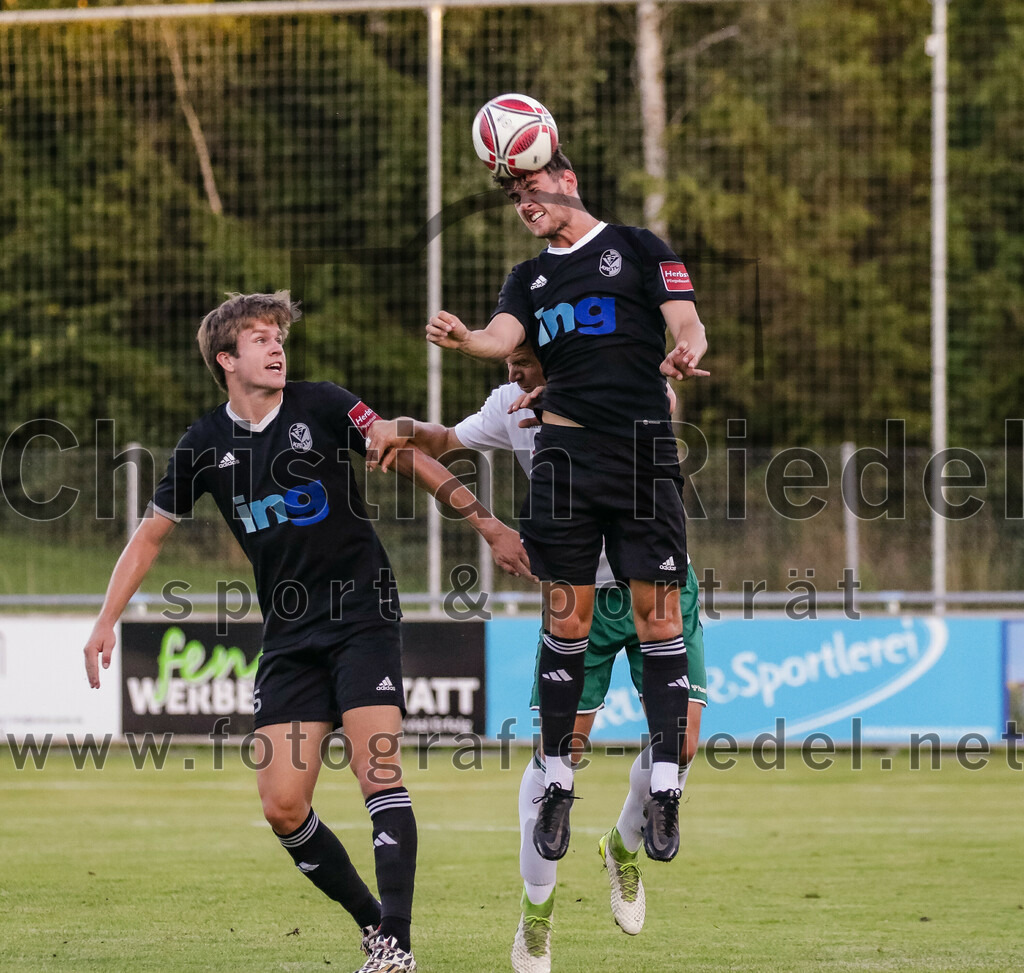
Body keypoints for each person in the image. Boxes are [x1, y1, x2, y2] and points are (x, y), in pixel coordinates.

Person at [83, 291, 534, 973]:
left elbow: (406, 452)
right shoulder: (204, 444)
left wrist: (489, 523)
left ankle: (399, 946)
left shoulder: (322, 403)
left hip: (362, 611)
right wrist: (105, 619)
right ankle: (374, 923)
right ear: (226, 359)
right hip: (289, 634)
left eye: (279, 336)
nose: (276, 346)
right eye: (260, 338)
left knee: (376, 766)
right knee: (283, 805)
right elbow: (149, 537)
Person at [367, 342, 708, 972]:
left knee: (681, 746)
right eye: (508, 362)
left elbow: (665, 401)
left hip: (658, 585)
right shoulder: (507, 406)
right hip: (577, 592)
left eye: (523, 361)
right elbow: (440, 440)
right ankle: (536, 916)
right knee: (562, 754)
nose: (511, 373)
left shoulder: (622, 388)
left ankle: (622, 847)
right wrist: (402, 432)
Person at [427, 148, 709, 876]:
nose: (523, 201)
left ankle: (667, 788)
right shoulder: (528, 277)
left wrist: (685, 349)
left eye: (531, 187)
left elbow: (687, 320)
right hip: (567, 457)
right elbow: (500, 339)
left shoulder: (639, 247)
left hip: (642, 457)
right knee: (567, 619)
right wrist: (467, 340)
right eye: (513, 194)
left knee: (660, 617)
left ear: (569, 179)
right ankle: (558, 780)